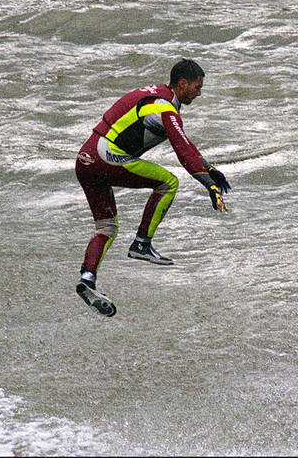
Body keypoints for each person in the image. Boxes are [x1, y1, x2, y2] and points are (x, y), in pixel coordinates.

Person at [74, 58, 230, 316]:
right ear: (182, 84)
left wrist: (210, 169)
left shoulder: (158, 97)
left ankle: (87, 280)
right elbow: (182, 150)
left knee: (106, 227)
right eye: (197, 87)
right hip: (104, 156)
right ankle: (142, 244)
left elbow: (186, 144)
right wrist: (208, 185)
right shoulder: (164, 107)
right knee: (169, 182)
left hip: (86, 159)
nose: (200, 93)